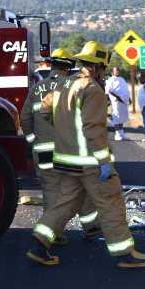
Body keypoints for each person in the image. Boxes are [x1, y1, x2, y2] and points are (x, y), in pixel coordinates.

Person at [27, 41, 145, 268]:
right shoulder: (92, 90)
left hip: (66, 162)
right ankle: (125, 254)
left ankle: (39, 244)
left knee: (64, 203)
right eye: (103, 69)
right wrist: (104, 162)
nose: (104, 74)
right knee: (111, 202)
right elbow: (94, 129)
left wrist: (63, 130)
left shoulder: (64, 86)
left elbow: (44, 111)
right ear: (98, 66)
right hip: (90, 163)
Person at [21, 48, 101, 245]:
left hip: (44, 151)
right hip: (69, 150)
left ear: (51, 65)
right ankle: (92, 228)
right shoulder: (74, 87)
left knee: (51, 191)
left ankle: (53, 235)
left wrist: (32, 140)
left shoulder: (36, 89)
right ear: (69, 67)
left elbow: (25, 118)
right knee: (80, 186)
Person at [105, 66, 130, 141]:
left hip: (124, 101)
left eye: (118, 70)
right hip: (116, 101)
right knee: (116, 117)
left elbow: (125, 90)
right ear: (112, 72)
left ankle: (122, 133)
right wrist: (118, 97)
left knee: (122, 117)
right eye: (116, 70)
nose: (118, 71)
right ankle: (117, 134)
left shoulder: (122, 79)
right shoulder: (110, 80)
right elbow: (109, 90)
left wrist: (129, 98)